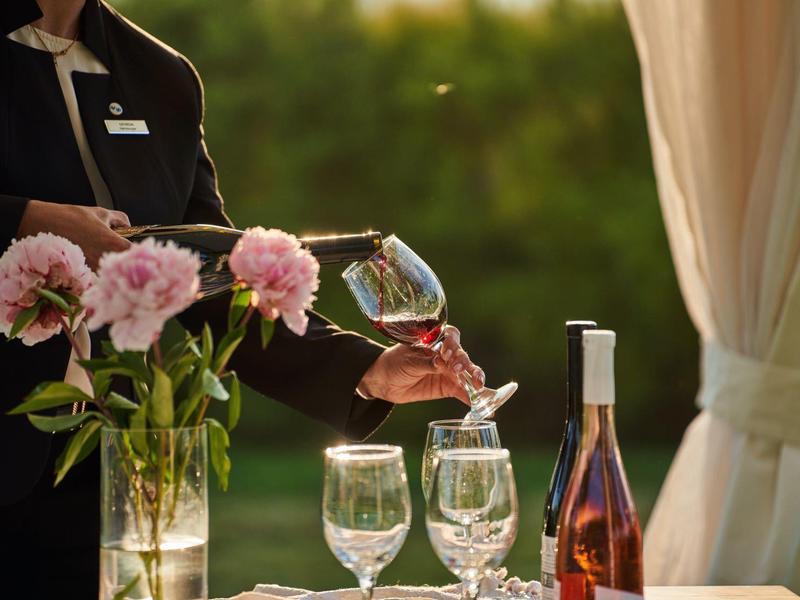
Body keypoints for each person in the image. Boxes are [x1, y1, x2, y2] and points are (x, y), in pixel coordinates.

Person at [0, 1, 486, 596]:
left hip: (105, 471)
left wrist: (368, 371)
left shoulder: (159, 75)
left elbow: (211, 282)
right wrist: (23, 219)